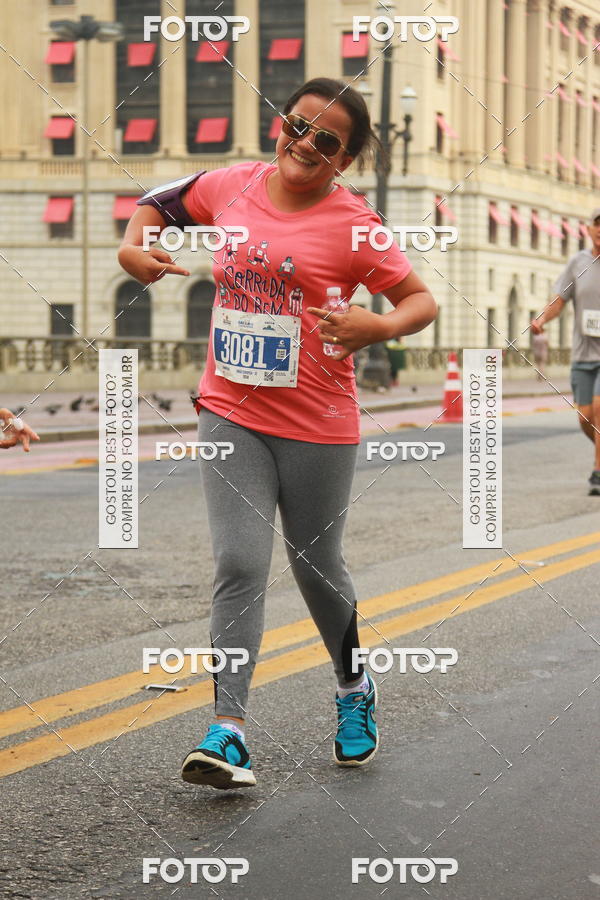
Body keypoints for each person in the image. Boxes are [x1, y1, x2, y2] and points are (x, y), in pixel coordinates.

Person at [119, 77, 437, 790]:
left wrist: (378, 326)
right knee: (239, 562)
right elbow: (159, 204)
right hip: (230, 409)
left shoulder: (355, 223)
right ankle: (228, 731)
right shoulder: (231, 185)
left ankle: (354, 687)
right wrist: (132, 249)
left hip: (318, 422)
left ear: (344, 159)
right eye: (297, 125)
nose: (305, 143)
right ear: (280, 125)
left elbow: (419, 299)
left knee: (316, 564)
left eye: (326, 140)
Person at [531, 208, 600, 496]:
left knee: (599, 409)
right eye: (597, 224)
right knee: (585, 418)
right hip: (583, 355)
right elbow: (559, 300)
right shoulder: (578, 263)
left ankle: (597, 471)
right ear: (589, 229)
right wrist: (542, 319)